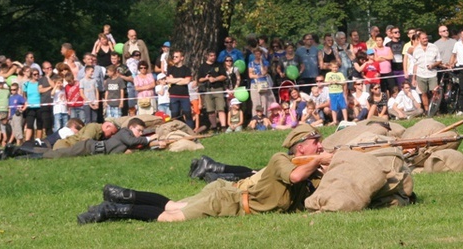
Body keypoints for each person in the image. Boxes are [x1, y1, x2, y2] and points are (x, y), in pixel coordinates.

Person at [77, 124, 332, 224]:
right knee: (170, 216)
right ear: (300, 147)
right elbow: (296, 177)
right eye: (316, 143)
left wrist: (327, 162)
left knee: (174, 204)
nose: (320, 147)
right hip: (227, 200)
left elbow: (320, 182)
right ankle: (112, 210)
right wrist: (320, 159)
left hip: (228, 194)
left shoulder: (308, 165)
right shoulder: (281, 159)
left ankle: (124, 195)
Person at [43, 118, 165, 159]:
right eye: (139, 130)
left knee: (60, 155)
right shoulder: (124, 132)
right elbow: (132, 141)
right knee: (56, 155)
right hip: (76, 145)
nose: (140, 133)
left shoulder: (124, 136)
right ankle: (32, 153)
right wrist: (150, 139)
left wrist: (155, 144)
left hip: (89, 148)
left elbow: (134, 146)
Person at [409, 31, 442, 110]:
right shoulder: (416, 50)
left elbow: (439, 61)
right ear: (419, 39)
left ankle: (435, 109)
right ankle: (427, 110)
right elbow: (415, 65)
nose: (425, 40)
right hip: (421, 75)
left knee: (434, 92)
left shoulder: (434, 47)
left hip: (432, 74)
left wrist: (433, 65)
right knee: (423, 93)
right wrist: (414, 78)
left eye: (426, 38)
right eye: (423, 38)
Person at [197, 51, 227, 132]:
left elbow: (224, 76)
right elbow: (199, 79)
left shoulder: (219, 65)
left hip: (218, 88)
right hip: (207, 90)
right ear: (207, 56)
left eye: (214, 55)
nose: (213, 57)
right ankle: (214, 127)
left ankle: (223, 127)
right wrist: (206, 78)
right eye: (211, 55)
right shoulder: (202, 67)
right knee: (210, 110)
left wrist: (215, 79)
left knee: (221, 109)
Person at [166, 50, 193, 129]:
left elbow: (186, 81)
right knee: (174, 115)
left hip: (184, 96)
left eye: (176, 57)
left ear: (182, 58)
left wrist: (174, 80)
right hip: (173, 95)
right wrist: (181, 79)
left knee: (187, 114)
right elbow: (168, 80)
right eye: (173, 57)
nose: (174, 58)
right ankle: (176, 131)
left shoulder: (186, 69)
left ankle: (190, 131)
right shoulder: (170, 69)